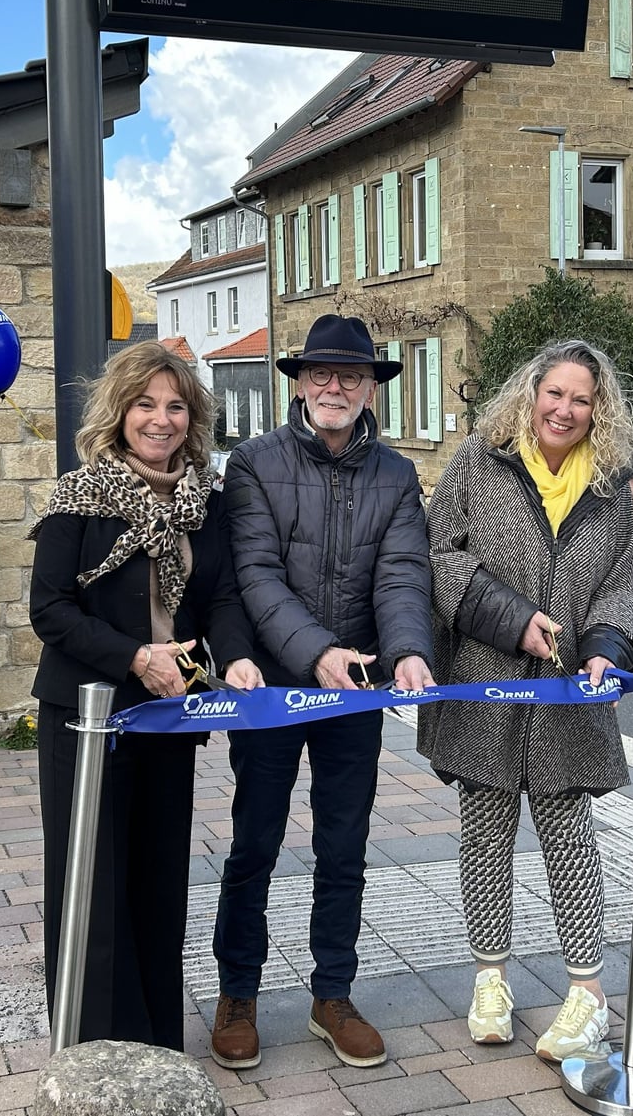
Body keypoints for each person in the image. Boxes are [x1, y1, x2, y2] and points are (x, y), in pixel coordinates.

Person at [209, 314, 436, 1071]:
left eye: (351, 374)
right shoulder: (253, 463)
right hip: (275, 689)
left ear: (372, 388)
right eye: (320, 373)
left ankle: (332, 994)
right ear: (301, 383)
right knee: (255, 843)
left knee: (345, 847)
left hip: (355, 694)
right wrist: (316, 653)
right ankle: (237, 993)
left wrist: (407, 651)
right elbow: (256, 575)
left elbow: (402, 574)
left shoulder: (397, 476)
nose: (334, 385)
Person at [416, 338, 633, 1062]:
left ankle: (587, 994)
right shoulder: (479, 462)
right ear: (531, 393)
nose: (565, 409)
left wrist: (607, 650)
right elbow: (438, 555)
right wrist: (511, 618)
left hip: (565, 693)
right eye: (556, 393)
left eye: (582, 399)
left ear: (599, 410)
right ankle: (490, 980)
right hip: (483, 683)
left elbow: (626, 580)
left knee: (569, 839)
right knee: (484, 836)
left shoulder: (609, 486)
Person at [28, 339, 263, 1047]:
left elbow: (221, 598)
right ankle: (97, 1048)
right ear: (119, 412)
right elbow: (50, 609)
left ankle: (158, 1044)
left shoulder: (206, 502)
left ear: (193, 418)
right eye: (145, 404)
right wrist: (135, 657)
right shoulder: (79, 495)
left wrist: (238, 659)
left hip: (169, 712)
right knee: (93, 884)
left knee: (160, 879)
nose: (161, 419)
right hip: (88, 718)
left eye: (176, 406)